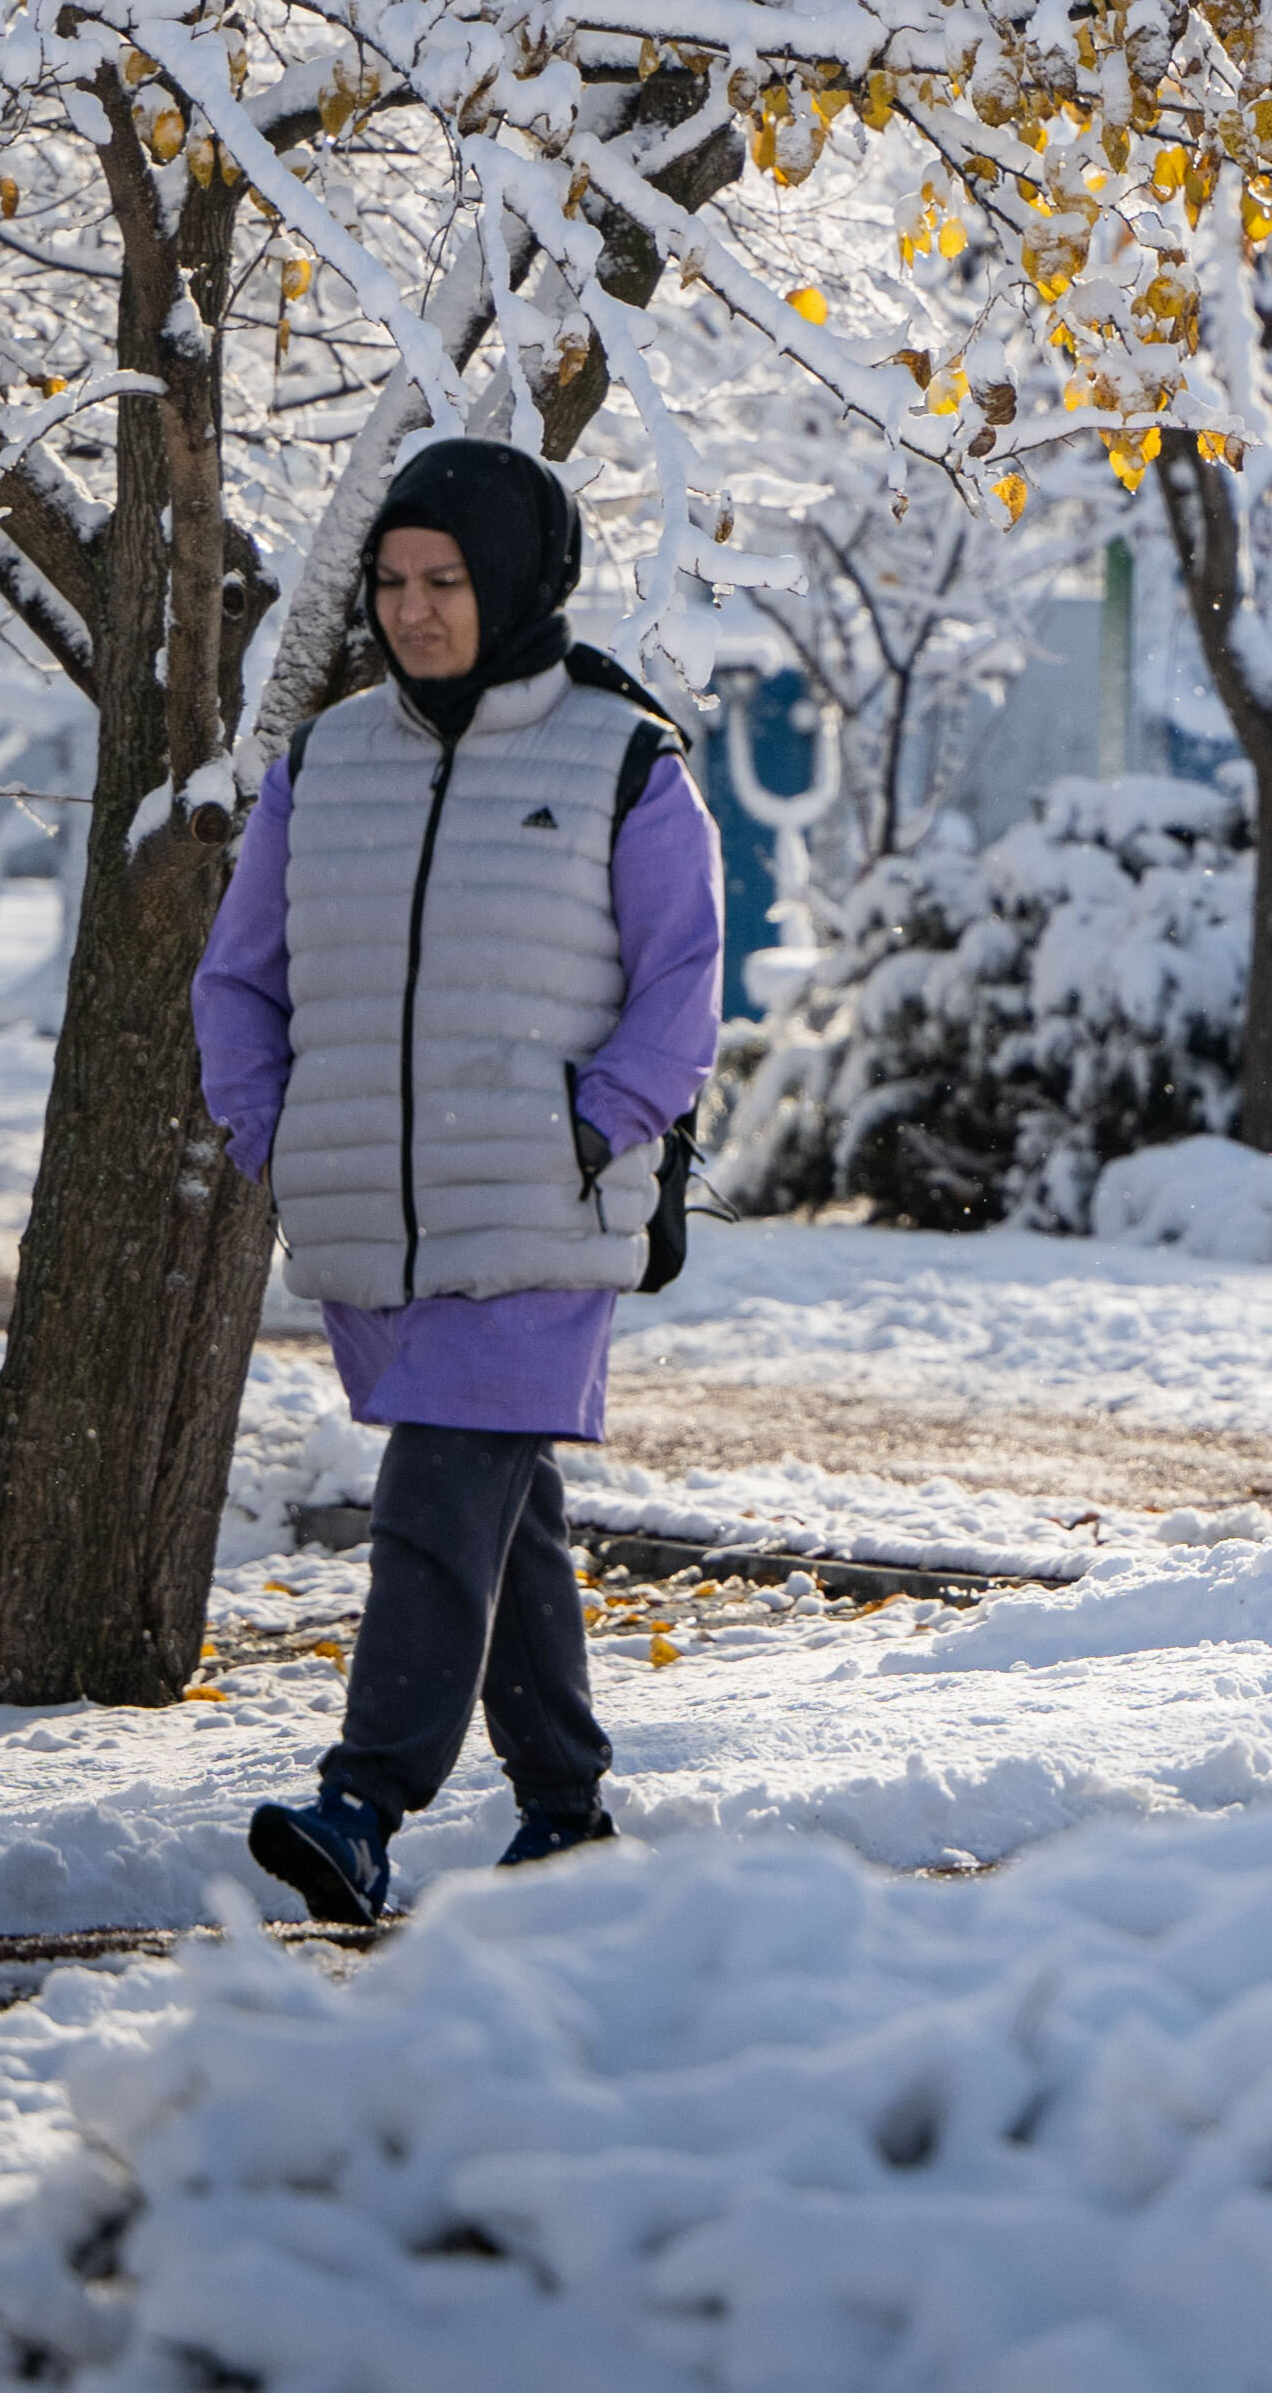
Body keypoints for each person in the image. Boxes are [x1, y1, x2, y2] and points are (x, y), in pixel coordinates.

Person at [198, 437, 722, 1928]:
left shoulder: (621, 760)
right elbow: (239, 977)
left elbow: (683, 981)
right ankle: (565, 1808)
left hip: (545, 1204)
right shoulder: (325, 762)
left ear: (517, 582)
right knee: (498, 1500)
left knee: (438, 1487)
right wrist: (271, 1128)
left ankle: (364, 1804)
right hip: (369, 1207)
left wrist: (596, 1124)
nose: (413, 610)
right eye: (391, 581)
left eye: (445, 580)